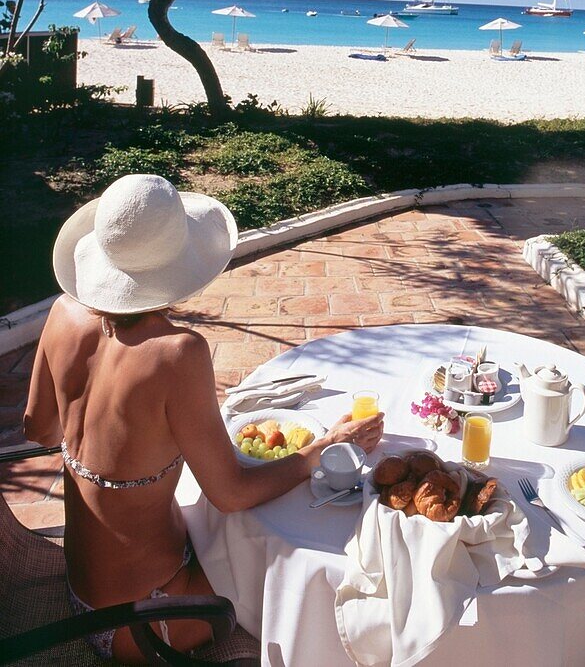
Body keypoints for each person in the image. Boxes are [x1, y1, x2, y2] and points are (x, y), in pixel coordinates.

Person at [24, 174, 384, 664]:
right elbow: (232, 494)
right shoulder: (176, 353)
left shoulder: (64, 312)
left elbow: (38, 429)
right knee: (301, 587)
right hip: (152, 621)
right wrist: (321, 450)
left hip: (84, 593)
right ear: (178, 264)